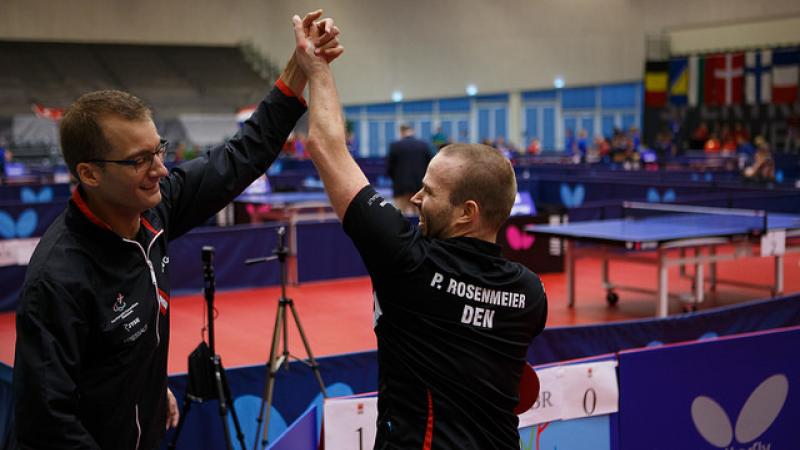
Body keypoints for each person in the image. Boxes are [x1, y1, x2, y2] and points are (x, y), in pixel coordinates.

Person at [12, 10, 343, 449]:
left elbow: (240, 156)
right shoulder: (57, 279)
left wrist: (298, 69)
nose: (160, 169)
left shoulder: (153, 209)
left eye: (158, 151)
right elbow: (47, 423)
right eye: (139, 160)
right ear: (89, 174)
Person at [292, 17, 547, 449]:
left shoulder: (408, 263)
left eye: (429, 193)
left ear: (467, 212)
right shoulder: (530, 295)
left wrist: (317, 68)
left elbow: (326, 146)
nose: (415, 201)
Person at [386, 123, 433, 214]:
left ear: (401, 132)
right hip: (420, 187)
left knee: (400, 216)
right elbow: (430, 165)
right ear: (412, 131)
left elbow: (390, 168)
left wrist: (395, 179)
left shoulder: (395, 146)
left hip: (400, 187)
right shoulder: (423, 145)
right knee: (419, 216)